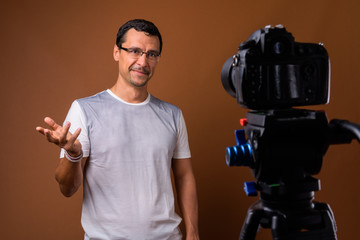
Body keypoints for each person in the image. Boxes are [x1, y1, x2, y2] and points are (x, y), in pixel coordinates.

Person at [36, 19, 199, 240]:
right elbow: (67, 189)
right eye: (134, 51)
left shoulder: (172, 115)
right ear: (116, 52)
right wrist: (74, 156)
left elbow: (184, 177)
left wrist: (193, 233)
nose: (143, 61)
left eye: (152, 54)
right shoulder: (84, 110)